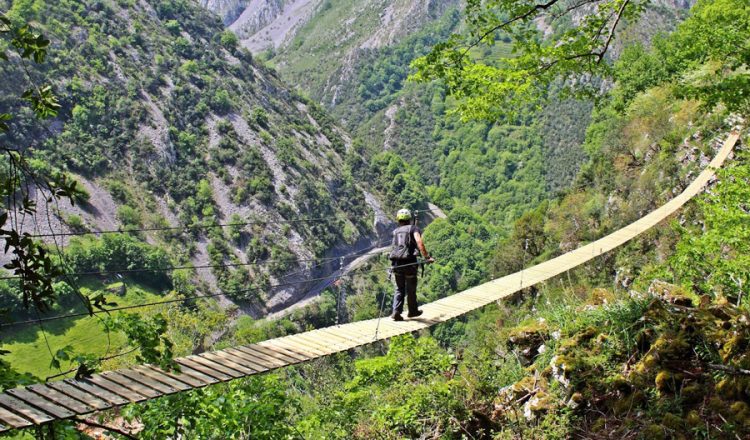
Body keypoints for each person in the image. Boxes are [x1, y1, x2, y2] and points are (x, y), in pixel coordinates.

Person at [389, 208, 434, 321]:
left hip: (397, 264)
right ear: (409, 219)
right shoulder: (414, 228)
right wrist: (427, 257)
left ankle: (396, 312)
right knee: (411, 289)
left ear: (398, 220)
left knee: (399, 288)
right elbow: (419, 242)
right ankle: (412, 311)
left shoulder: (395, 232)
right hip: (409, 264)